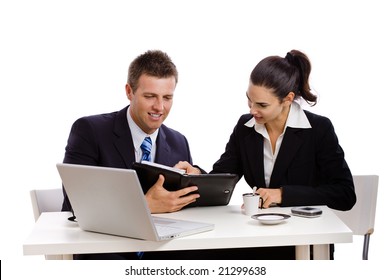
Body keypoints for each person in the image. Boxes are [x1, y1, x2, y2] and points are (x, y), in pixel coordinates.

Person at [177, 49, 357, 259]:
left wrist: (282, 194)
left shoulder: (318, 129)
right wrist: (196, 174)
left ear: (287, 99)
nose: (253, 110)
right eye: (249, 100)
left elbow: (344, 194)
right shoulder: (245, 128)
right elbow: (224, 176)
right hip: (259, 235)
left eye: (262, 105)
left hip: (305, 240)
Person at [61, 50, 200, 259]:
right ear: (129, 91)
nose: (159, 107)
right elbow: (75, 203)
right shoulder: (90, 131)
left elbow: (190, 206)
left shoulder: (178, 142)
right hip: (105, 252)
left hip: (162, 256)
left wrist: (197, 176)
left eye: (167, 97)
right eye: (150, 96)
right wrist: (144, 207)